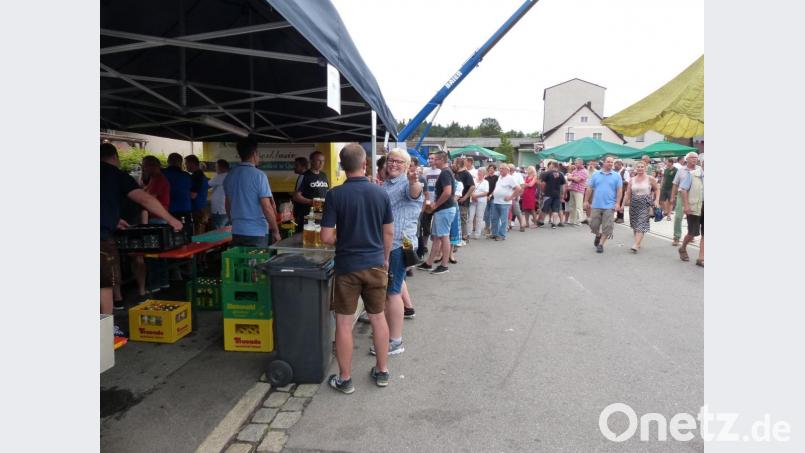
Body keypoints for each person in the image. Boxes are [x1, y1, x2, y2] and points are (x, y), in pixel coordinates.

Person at [320, 143, 394, 392]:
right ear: (365, 164)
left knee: (343, 323)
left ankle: (345, 378)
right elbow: (389, 232)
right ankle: (382, 371)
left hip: (347, 267)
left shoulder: (335, 195)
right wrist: (384, 258)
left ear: (342, 166)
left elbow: (327, 237)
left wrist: (347, 235)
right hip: (375, 264)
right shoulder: (381, 193)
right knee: (378, 318)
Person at [101, 144, 183, 335]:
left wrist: (113, 220)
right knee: (104, 284)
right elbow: (145, 199)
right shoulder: (116, 175)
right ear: (115, 157)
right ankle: (105, 331)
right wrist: (172, 220)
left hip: (105, 228)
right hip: (101, 239)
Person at [371, 149, 423, 357]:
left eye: (399, 162)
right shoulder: (387, 183)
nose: (393, 164)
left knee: (392, 292)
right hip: (393, 244)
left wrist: (412, 180)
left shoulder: (406, 183)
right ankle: (389, 333)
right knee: (391, 290)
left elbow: (415, 191)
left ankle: (395, 341)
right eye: (391, 160)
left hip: (399, 245)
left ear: (407, 165)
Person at [223, 138, 281, 247]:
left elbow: (227, 205)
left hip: (237, 231)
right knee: (256, 263)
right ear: (254, 154)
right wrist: (276, 231)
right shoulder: (259, 175)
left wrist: (234, 222)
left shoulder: (229, 176)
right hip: (256, 233)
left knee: (239, 263)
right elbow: (267, 208)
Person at [416, 151, 455, 274]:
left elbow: (447, 192)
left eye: (436, 159)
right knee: (437, 237)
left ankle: (444, 265)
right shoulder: (446, 172)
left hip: (444, 209)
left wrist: (436, 204)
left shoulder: (445, 172)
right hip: (443, 209)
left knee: (444, 237)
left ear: (442, 160)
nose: (433, 161)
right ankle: (429, 263)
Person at [584, 156, 623, 253]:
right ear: (604, 163)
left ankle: (601, 244)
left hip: (610, 205)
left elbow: (619, 190)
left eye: (611, 162)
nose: (610, 163)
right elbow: (589, 188)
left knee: (608, 226)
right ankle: (598, 235)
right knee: (593, 225)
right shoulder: (596, 175)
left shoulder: (616, 175)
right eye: (608, 162)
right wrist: (585, 201)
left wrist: (618, 203)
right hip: (596, 204)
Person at [623, 161, 660, 252]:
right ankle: (638, 242)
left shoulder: (650, 178)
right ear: (636, 168)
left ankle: (635, 244)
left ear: (645, 168)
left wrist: (656, 200)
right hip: (634, 203)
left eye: (642, 167)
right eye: (638, 167)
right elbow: (628, 194)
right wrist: (622, 205)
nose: (640, 168)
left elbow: (657, 189)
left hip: (645, 203)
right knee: (635, 224)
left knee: (641, 223)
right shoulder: (632, 179)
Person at [677, 154, 704, 266]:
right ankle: (683, 248)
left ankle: (701, 258)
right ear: (703, 163)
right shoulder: (692, 175)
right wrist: (686, 206)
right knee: (693, 233)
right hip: (694, 207)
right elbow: (683, 190)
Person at [669, 152, 700, 246]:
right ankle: (676, 237)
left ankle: (691, 235)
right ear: (687, 159)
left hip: (695, 196)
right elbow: (675, 184)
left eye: (696, 157)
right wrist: (672, 196)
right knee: (678, 217)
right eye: (692, 157)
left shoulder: (700, 169)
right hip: (681, 195)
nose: (694, 159)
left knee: (693, 217)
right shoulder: (681, 170)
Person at [293, 151, 330, 227]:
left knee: (320, 236)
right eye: (318, 160)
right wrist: (312, 202)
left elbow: (327, 192)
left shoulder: (324, 175)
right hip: (308, 214)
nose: (321, 163)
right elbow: (296, 196)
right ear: (311, 161)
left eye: (323, 161)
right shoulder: (304, 176)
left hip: (321, 214)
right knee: (308, 237)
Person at [417, 153, 442, 258]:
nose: (431, 160)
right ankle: (425, 245)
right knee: (425, 225)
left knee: (438, 227)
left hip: (438, 202)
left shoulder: (441, 172)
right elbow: (424, 188)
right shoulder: (426, 172)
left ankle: (438, 250)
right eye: (430, 158)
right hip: (427, 202)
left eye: (433, 158)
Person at [489, 164, 521, 240]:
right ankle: (495, 233)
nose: (500, 170)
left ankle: (501, 235)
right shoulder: (500, 177)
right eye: (500, 168)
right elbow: (497, 188)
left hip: (505, 203)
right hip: (496, 201)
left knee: (503, 220)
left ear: (507, 170)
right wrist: (492, 194)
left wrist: (511, 197)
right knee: (494, 218)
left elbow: (518, 188)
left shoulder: (510, 178)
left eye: (502, 169)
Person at [163, 152, 194, 234]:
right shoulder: (186, 176)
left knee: (169, 235)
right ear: (180, 163)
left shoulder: (162, 174)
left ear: (168, 161)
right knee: (185, 233)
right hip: (184, 208)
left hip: (167, 210)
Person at [184, 155, 209, 235]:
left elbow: (193, 195)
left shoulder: (196, 176)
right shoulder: (201, 175)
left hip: (198, 209)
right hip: (201, 207)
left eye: (186, 163)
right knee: (200, 235)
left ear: (192, 163)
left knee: (198, 236)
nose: (185, 166)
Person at [454, 157, 475, 244]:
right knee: (457, 219)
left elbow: (472, 186)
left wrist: (465, 197)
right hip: (455, 200)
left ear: (458, 164)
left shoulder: (466, 174)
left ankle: (464, 237)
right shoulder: (455, 173)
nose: (453, 164)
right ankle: (458, 237)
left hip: (463, 202)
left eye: (454, 163)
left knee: (462, 219)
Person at [540, 161, 567, 229]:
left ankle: (541, 222)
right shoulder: (561, 174)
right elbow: (563, 185)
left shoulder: (547, 173)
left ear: (552, 166)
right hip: (557, 195)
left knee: (545, 208)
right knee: (555, 209)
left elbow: (543, 183)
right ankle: (554, 224)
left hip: (548, 194)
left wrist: (543, 192)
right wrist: (563, 194)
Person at [208, 159, 230, 229]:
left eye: (216, 167)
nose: (215, 169)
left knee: (218, 234)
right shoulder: (231, 175)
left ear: (221, 167)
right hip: (228, 210)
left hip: (219, 210)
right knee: (227, 232)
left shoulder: (220, 176)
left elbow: (206, 185)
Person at [566, 159, 588, 226]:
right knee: (572, 206)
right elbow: (568, 178)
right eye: (575, 163)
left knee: (578, 206)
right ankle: (572, 220)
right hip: (572, 189)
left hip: (579, 190)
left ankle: (579, 221)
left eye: (577, 163)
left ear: (581, 163)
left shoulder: (584, 171)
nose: (575, 164)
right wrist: (573, 178)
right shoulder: (575, 170)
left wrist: (572, 177)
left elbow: (578, 180)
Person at [468, 167, 489, 239]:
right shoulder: (473, 180)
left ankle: (477, 234)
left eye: (481, 172)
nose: (479, 173)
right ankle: (468, 233)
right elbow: (470, 189)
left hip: (482, 201)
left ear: (484, 174)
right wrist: (472, 196)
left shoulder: (486, 182)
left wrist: (476, 196)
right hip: (472, 200)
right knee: (470, 217)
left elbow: (486, 192)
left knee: (479, 217)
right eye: (479, 172)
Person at [507, 163, 527, 232]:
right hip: (507, 196)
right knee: (507, 211)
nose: (510, 170)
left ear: (514, 169)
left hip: (515, 196)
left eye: (511, 169)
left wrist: (518, 194)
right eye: (509, 168)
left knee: (517, 211)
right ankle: (508, 225)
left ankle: (522, 225)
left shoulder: (518, 175)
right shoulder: (506, 175)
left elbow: (522, 186)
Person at [482, 163, 498, 235]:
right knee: (486, 214)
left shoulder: (496, 177)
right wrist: (486, 196)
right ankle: (487, 227)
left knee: (492, 214)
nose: (490, 170)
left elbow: (496, 188)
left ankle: (493, 229)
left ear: (494, 170)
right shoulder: (485, 178)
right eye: (489, 169)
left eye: (492, 169)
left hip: (493, 197)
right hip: (485, 197)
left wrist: (491, 195)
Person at [613, 159, 629, 224]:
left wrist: (619, 182)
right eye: (615, 164)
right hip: (615, 190)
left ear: (620, 165)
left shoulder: (625, 171)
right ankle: (617, 216)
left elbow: (627, 180)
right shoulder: (614, 171)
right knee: (616, 203)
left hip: (622, 189)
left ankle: (621, 217)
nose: (615, 166)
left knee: (621, 203)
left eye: (617, 165)